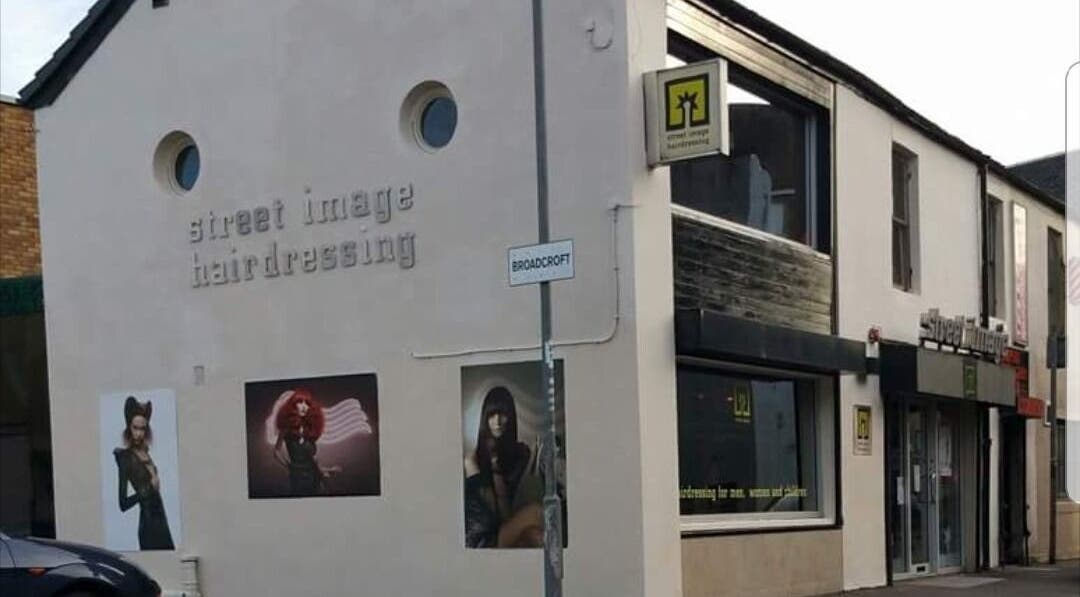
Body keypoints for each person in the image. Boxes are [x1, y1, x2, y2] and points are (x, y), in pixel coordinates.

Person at [463, 386, 545, 548]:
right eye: (492, 415)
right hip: (482, 539)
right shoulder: (472, 460)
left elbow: (506, 514)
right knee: (537, 512)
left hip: (500, 529)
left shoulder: (516, 454)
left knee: (535, 536)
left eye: (503, 414)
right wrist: (494, 465)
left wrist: (534, 461)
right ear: (484, 419)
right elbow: (492, 514)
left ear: (511, 417)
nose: (498, 421)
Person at [114, 396, 174, 550]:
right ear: (129, 427)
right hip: (148, 525)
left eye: (143, 429)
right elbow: (123, 504)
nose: (139, 433)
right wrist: (149, 487)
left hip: (161, 521)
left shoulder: (146, 453)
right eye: (135, 428)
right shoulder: (125, 458)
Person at [273, 389, 339, 496]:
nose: (304, 406)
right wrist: (289, 465)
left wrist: (328, 469)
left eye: (307, 404)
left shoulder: (309, 430)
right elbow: (276, 451)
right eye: (300, 402)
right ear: (293, 405)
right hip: (297, 478)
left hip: (314, 478)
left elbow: (313, 461)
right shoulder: (286, 429)